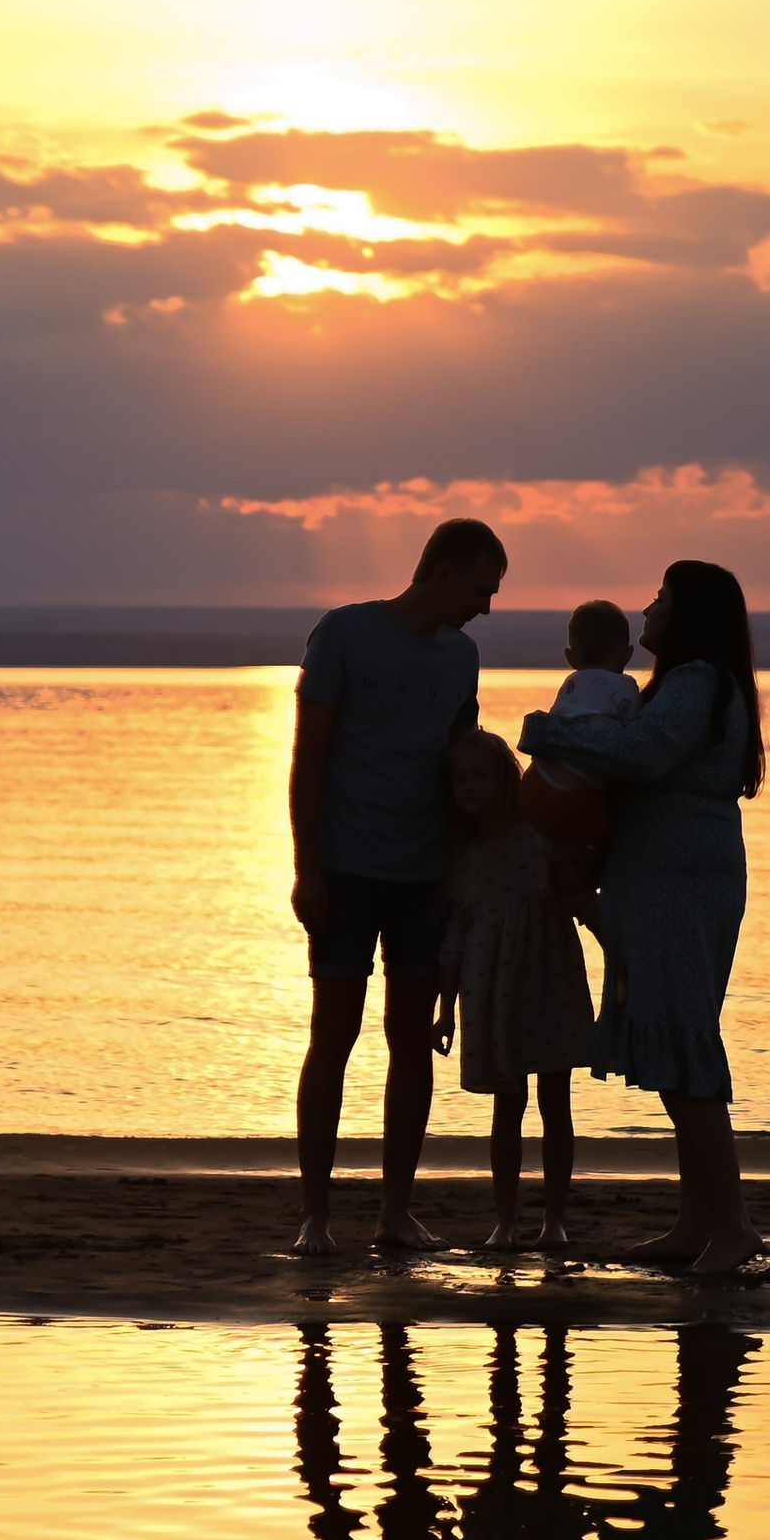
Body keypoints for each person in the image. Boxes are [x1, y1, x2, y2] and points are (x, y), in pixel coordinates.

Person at [516, 559, 767, 1275]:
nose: (648, 609)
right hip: (665, 881)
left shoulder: (697, 682)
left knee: (684, 1047)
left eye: (661, 598)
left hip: (678, 886)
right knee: (674, 1045)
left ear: (689, 616)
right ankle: (697, 1223)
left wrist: (547, 734)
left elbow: (642, 754)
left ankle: (732, 1229)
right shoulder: (690, 684)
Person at [289, 518, 507, 1256]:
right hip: (345, 872)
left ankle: (394, 1214)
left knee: (412, 1042)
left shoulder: (463, 656)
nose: (485, 606)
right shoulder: (344, 633)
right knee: (333, 1036)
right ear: (443, 571)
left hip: (426, 878)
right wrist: (307, 868)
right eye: (480, 588)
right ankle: (316, 1218)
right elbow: (309, 757)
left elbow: (465, 764)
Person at [433, 730, 594, 1252]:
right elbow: (454, 938)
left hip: (549, 977)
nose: (470, 787)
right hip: (492, 988)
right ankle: (505, 1219)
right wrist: (445, 1010)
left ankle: (554, 1219)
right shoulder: (464, 853)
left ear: (505, 778)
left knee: (555, 1101)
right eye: (460, 779)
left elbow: (578, 893)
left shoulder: (540, 834)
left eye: (480, 776)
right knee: (508, 1104)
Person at [522, 600, 642, 916]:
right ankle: (583, 900)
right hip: (577, 795)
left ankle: (549, 882)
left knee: (551, 843)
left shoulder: (570, 684)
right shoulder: (626, 686)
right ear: (628, 654)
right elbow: (635, 735)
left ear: (570, 657)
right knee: (601, 838)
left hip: (536, 784)